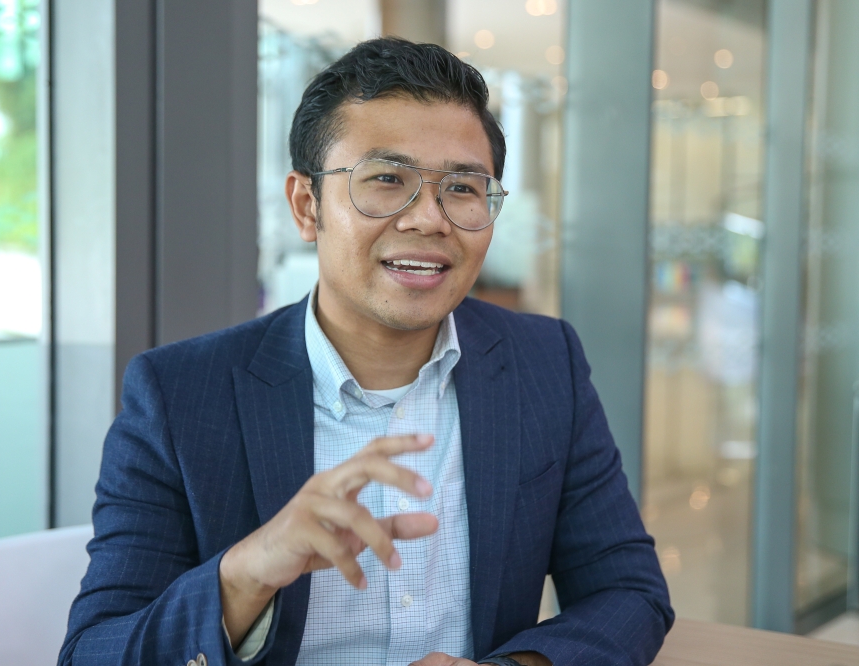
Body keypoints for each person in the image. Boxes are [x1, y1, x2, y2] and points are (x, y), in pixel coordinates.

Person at [59, 38, 673, 666]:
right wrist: (246, 574)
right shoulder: (180, 394)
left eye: (462, 187)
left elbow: (628, 591)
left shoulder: (545, 363)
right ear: (307, 207)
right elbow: (92, 654)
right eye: (387, 180)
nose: (429, 219)